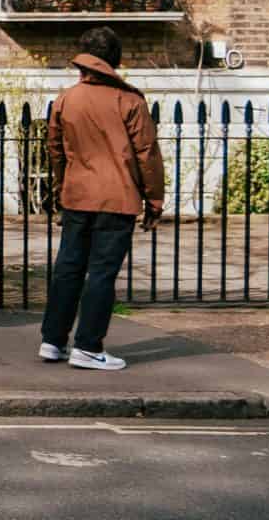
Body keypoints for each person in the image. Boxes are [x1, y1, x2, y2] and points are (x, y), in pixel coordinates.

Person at [40, 26, 166, 371]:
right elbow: (147, 155)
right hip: (117, 199)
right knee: (101, 273)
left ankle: (53, 340)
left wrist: (62, 188)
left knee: (67, 268)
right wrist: (154, 201)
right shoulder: (130, 101)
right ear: (115, 59)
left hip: (77, 195)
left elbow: (55, 151)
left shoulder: (66, 99)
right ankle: (88, 346)